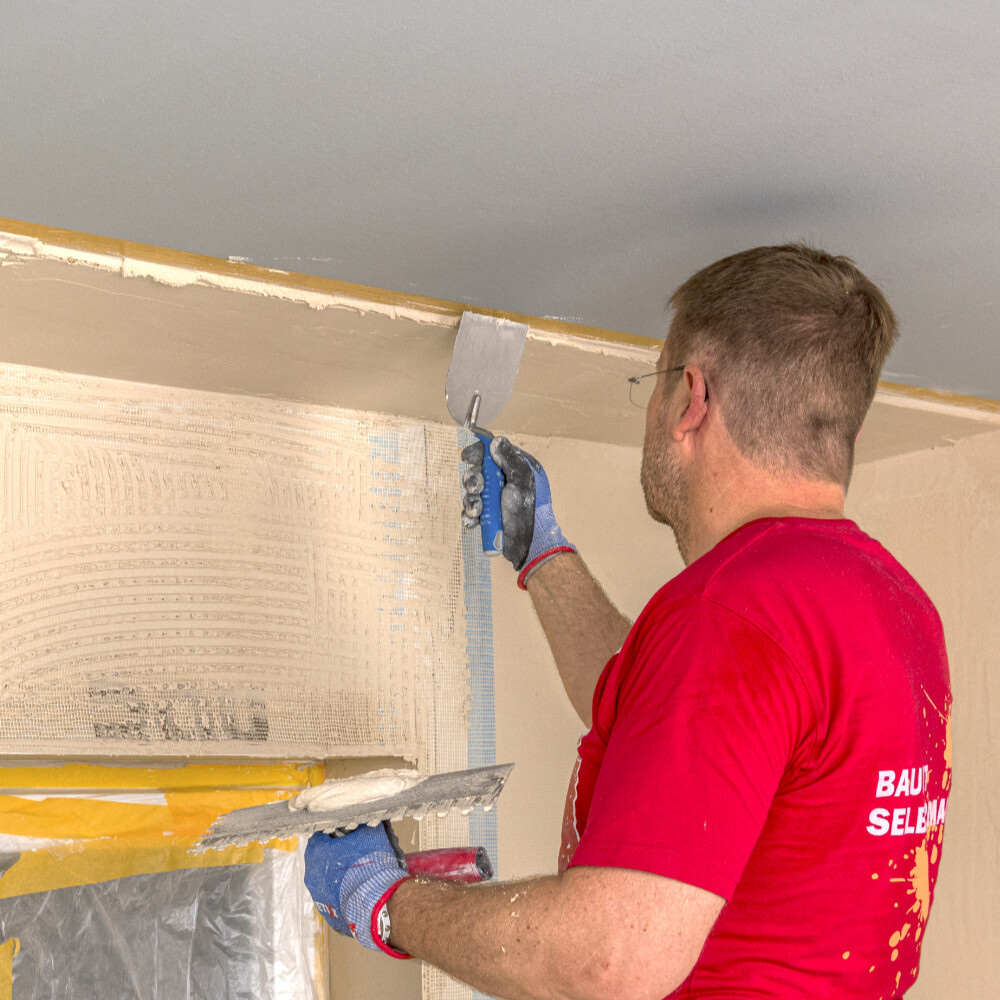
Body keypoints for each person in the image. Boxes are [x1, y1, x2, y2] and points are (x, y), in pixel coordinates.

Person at [304, 244, 952, 999]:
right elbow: (674, 729)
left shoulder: (731, 613)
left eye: (654, 384)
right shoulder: (897, 606)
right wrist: (542, 554)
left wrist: (389, 905)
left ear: (691, 399)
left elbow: (611, 958)